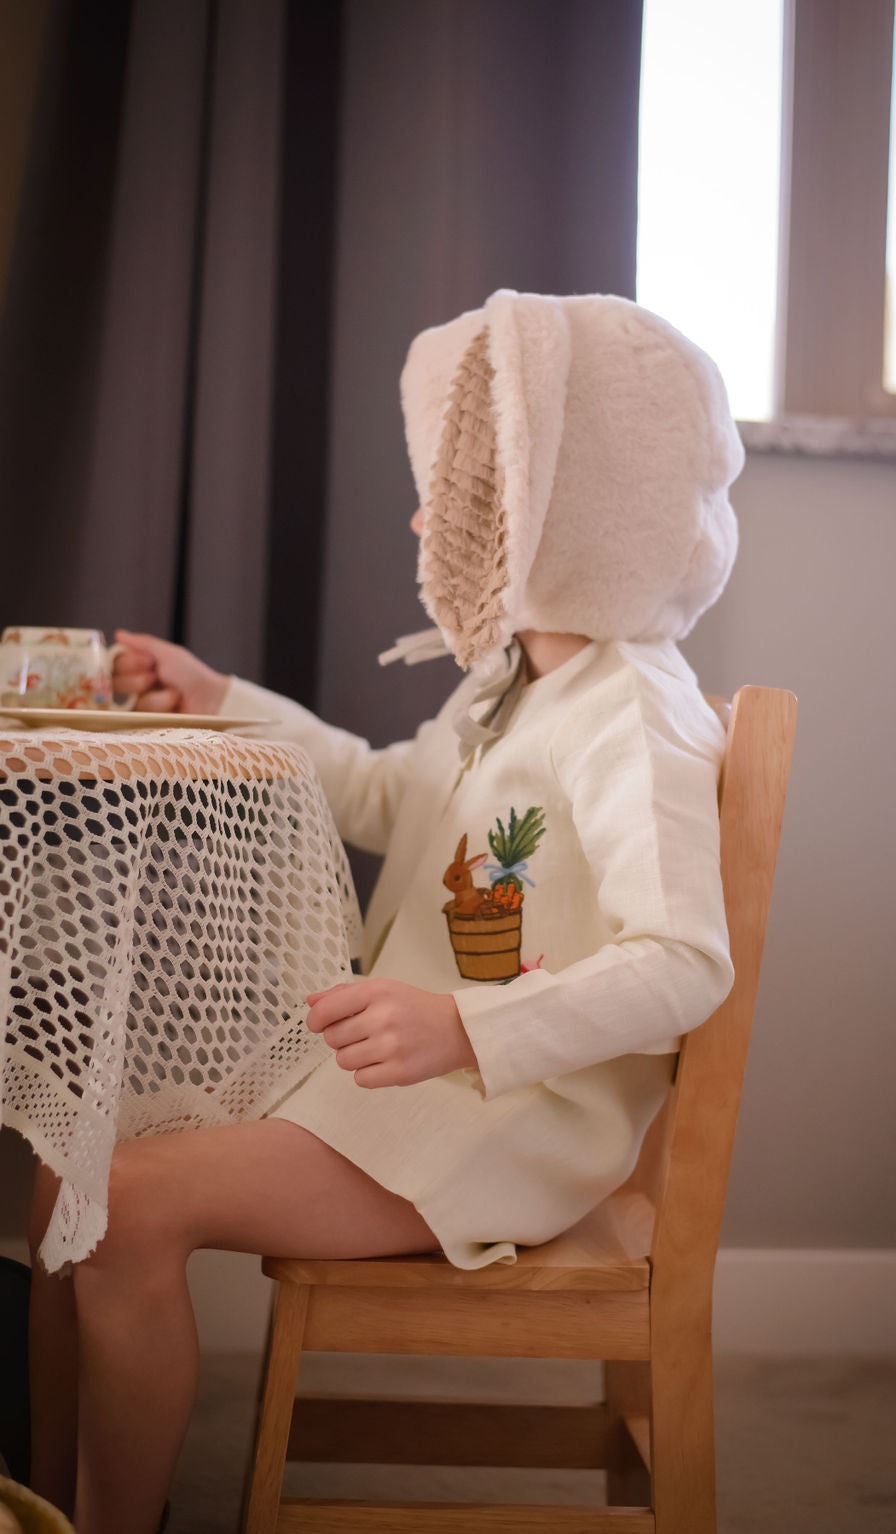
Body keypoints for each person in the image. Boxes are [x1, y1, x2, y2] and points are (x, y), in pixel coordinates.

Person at [27, 289, 743, 1534]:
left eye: (467, 501)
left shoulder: (633, 713)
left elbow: (683, 962)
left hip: (504, 1124)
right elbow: (374, 790)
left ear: (562, 512)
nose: (425, 520)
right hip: (405, 1091)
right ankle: (48, 1498)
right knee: (62, 1171)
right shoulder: (508, 686)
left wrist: (466, 1028)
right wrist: (222, 697)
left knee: (126, 1197)